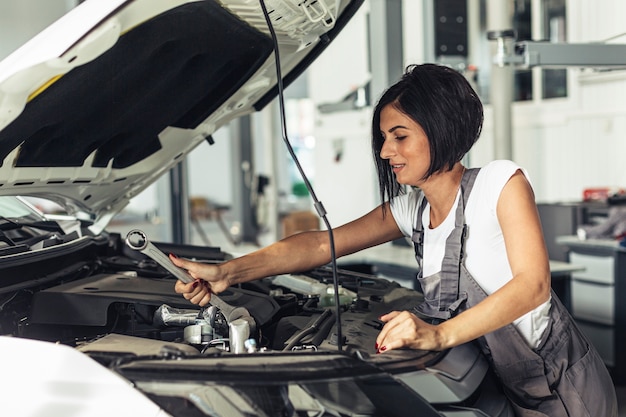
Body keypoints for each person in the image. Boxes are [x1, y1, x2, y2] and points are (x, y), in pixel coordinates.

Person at [170, 64, 617, 416]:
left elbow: (533, 286)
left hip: (562, 389)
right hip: (502, 384)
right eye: (384, 138)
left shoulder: (500, 184)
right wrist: (228, 272)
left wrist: (438, 335)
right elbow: (317, 244)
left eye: (399, 137)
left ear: (440, 129)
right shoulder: (412, 209)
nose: (386, 152)